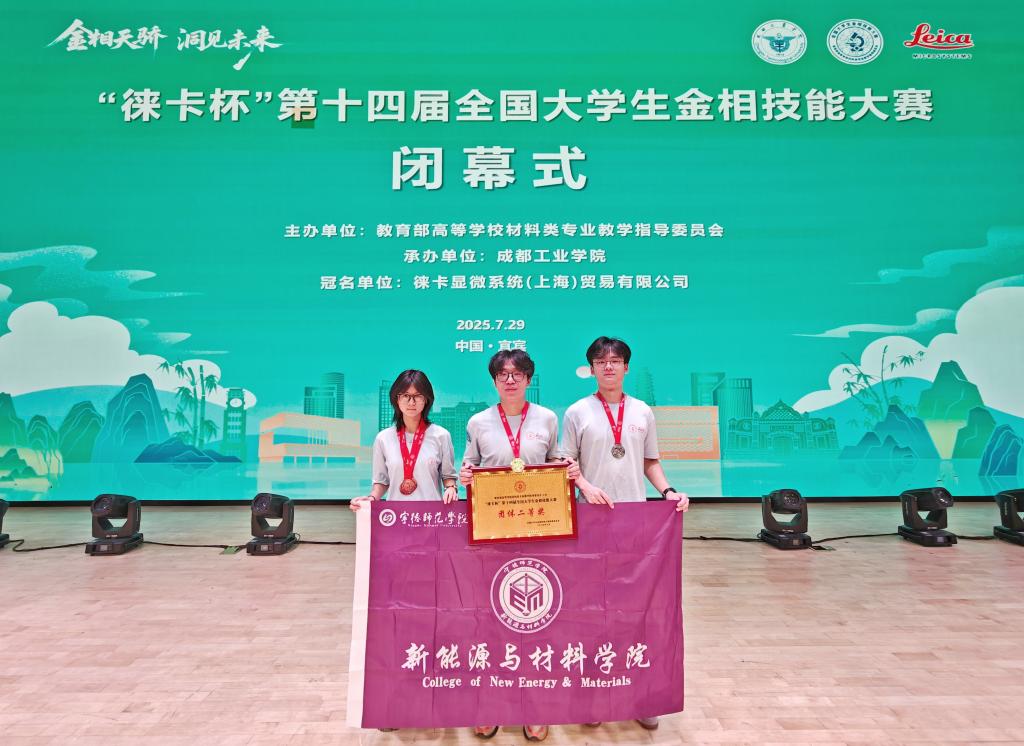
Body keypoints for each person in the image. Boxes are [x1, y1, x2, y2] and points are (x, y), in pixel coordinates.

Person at [561, 336, 689, 732]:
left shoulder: (642, 411)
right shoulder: (577, 412)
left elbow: (650, 462)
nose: (608, 367)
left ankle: (641, 695)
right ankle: (594, 695)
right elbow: (566, 465)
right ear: (591, 369)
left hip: (634, 524)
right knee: (590, 610)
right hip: (590, 523)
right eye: (601, 361)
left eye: (615, 360)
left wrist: (668, 491)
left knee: (635, 610)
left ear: (626, 367)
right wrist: (585, 486)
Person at [459, 349, 579, 743]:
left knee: (538, 618)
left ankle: (535, 705)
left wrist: (566, 468)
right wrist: (466, 476)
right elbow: (469, 465)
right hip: (492, 533)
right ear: (494, 381)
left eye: (517, 374)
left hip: (538, 533)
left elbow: (555, 461)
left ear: (528, 379)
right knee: (491, 617)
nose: (510, 380)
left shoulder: (546, 418)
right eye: (503, 374)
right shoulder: (478, 421)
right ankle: (491, 702)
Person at [351, 369, 458, 510]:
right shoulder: (383, 438)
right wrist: (371, 498)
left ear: (426, 399)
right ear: (397, 399)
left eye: (418, 396)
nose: (411, 402)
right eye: (406, 395)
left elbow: (448, 475)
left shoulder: (441, 435)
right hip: (396, 516)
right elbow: (381, 481)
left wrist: (451, 488)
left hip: (431, 515)